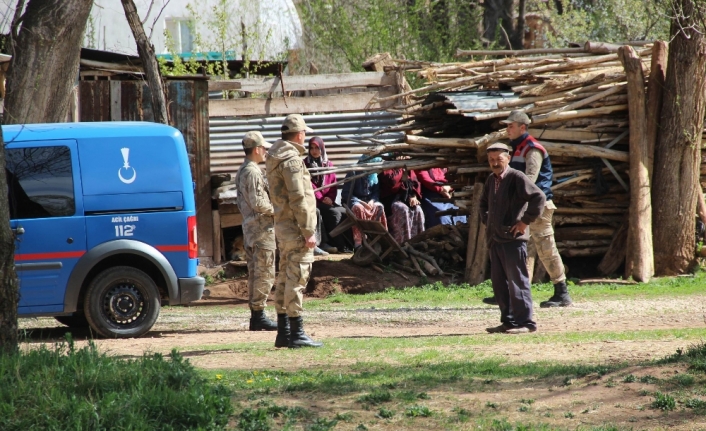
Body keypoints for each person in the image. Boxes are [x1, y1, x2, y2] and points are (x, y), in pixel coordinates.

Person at [483, 110, 572, 308]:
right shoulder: (515, 148)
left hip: (537, 207)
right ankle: (515, 294)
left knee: (546, 247)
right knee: (522, 250)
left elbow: (530, 180)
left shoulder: (532, 148)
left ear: (523, 127)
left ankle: (562, 292)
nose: (507, 129)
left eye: (511, 125)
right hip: (522, 207)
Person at [266, 114, 323, 348]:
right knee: (297, 276)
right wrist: (309, 230)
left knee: (284, 276)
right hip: (295, 227)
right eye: (305, 134)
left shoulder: (274, 156)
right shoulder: (291, 160)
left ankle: (283, 332)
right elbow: (298, 197)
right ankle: (296, 333)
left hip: (283, 226)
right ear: (300, 134)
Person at [481, 142, 546, 334]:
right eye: (491, 160)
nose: (494, 163)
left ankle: (526, 323)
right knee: (500, 283)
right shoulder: (491, 180)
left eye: (498, 159)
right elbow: (482, 203)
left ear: (508, 158)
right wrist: (488, 220)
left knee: (518, 280)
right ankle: (508, 322)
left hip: (513, 238)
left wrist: (524, 222)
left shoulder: (516, 177)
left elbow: (538, 198)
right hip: (496, 238)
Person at [235, 131, 277, 332]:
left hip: (251, 228)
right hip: (260, 229)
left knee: (255, 272)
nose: (266, 152)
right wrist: (277, 209)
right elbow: (258, 202)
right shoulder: (252, 172)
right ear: (257, 149)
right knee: (264, 272)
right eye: (265, 148)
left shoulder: (244, 170)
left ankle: (257, 315)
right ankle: (259, 315)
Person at [304, 136, 350, 254]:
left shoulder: (328, 164)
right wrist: (321, 198)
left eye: (317, 148)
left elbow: (333, 185)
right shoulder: (305, 164)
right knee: (333, 212)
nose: (314, 151)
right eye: (312, 148)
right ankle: (339, 245)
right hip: (315, 201)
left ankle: (350, 244)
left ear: (322, 149)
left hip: (329, 200)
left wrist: (330, 198)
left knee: (345, 212)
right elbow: (309, 185)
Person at [341, 156, 388, 249]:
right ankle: (359, 243)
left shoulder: (373, 175)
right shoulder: (353, 172)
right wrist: (360, 202)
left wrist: (372, 201)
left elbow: (376, 192)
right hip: (355, 201)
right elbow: (346, 194)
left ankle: (380, 239)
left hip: (369, 201)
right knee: (358, 208)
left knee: (379, 208)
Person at [380, 166, 425, 245]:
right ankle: (403, 243)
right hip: (392, 198)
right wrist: (400, 169)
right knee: (402, 209)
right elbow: (392, 182)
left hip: (407, 197)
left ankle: (418, 242)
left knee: (418, 210)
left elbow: (415, 183)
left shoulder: (409, 167)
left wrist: (414, 196)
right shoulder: (387, 167)